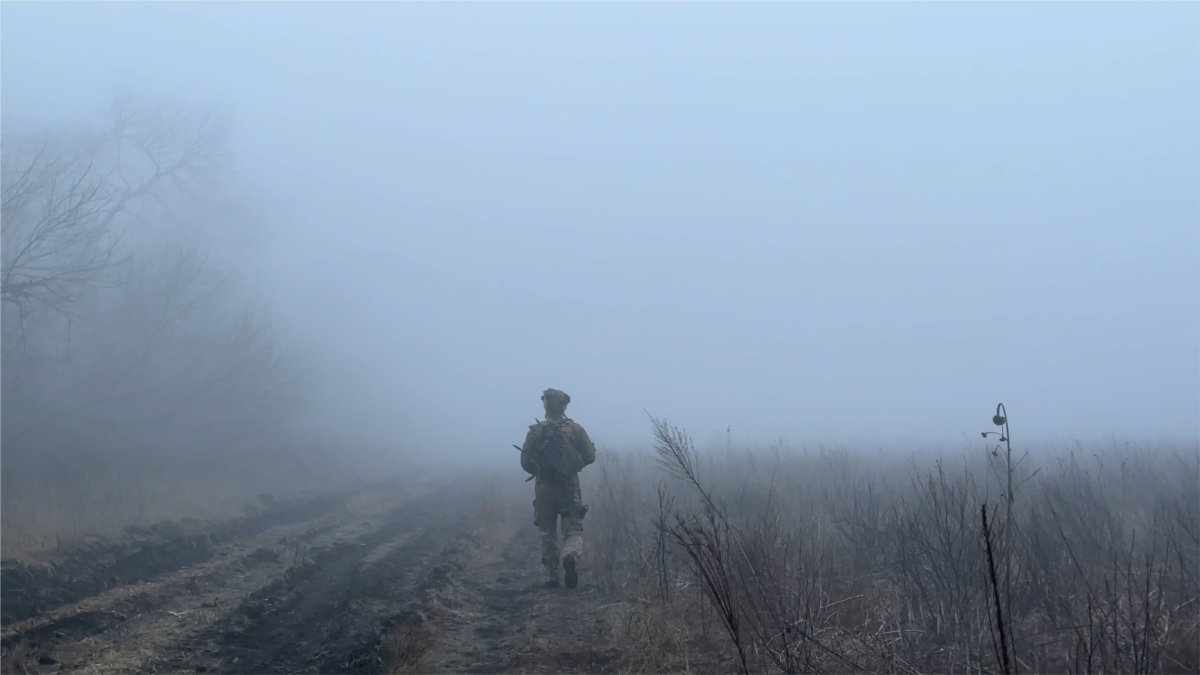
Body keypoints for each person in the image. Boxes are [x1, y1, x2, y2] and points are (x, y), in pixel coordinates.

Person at [520, 388, 596, 588]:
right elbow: (590, 457)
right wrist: (572, 466)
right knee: (573, 530)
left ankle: (552, 576)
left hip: (544, 487)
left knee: (547, 532)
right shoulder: (575, 429)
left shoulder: (536, 431)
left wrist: (541, 471)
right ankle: (570, 554)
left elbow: (525, 462)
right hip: (569, 487)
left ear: (545, 405)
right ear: (564, 406)